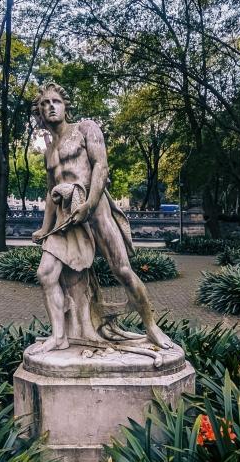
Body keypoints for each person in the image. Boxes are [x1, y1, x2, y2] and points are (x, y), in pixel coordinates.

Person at [30, 82, 173, 354]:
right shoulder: (48, 150)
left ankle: (151, 325)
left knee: (122, 270)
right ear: (39, 111)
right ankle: (59, 336)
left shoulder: (85, 128)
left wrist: (89, 204)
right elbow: (51, 192)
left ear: (65, 106)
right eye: (44, 103)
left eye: (55, 102)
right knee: (46, 273)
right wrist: (44, 227)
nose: (50, 106)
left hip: (95, 212)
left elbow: (101, 167)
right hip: (66, 219)